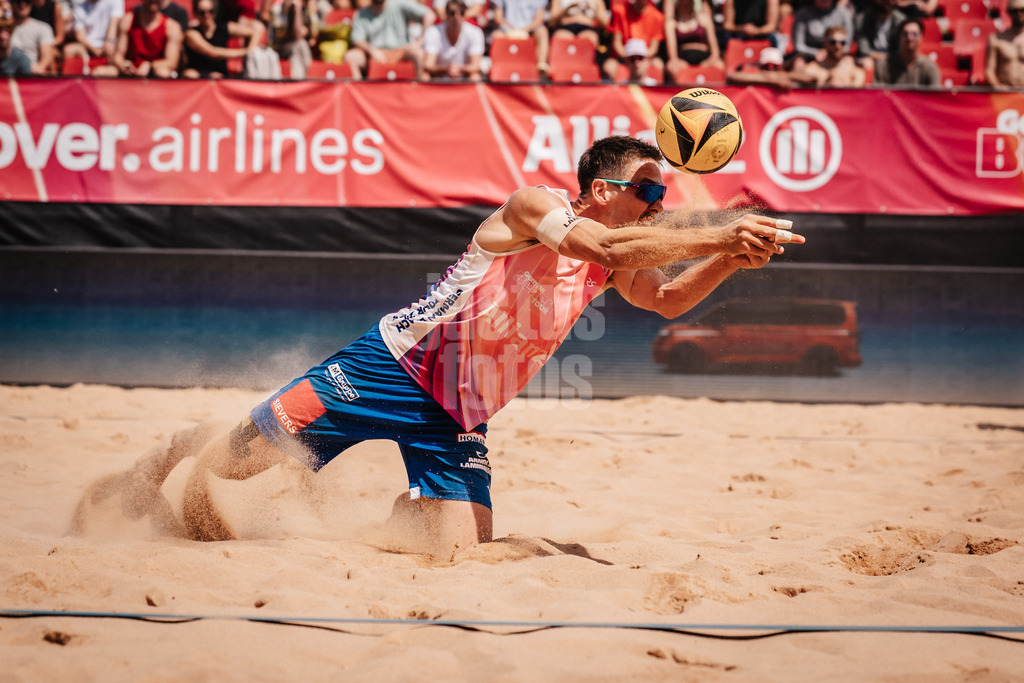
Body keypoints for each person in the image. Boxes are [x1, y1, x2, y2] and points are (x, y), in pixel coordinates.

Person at [87, 135, 804, 558]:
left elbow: (669, 298)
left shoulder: (611, 259)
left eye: (663, 193)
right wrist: (722, 227)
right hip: (385, 368)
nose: (658, 203)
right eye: (647, 189)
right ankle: (174, 449)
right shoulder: (535, 207)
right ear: (596, 188)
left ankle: (377, 512)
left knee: (460, 549)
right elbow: (612, 239)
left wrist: (727, 259)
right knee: (234, 465)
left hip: (458, 410)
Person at [344, 0, 435, 80]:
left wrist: (420, 41)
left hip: (401, 51)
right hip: (373, 53)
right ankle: (358, 93)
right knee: (351, 56)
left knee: (418, 53)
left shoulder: (399, 4)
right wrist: (372, 51)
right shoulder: (361, 14)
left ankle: (420, 90)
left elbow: (429, 15)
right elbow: (357, 39)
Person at [93, 0, 183, 77]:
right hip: (130, 70)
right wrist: (124, 65)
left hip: (154, 72)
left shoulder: (172, 27)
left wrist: (150, 65)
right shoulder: (128, 20)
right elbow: (118, 55)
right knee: (99, 72)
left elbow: (172, 62)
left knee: (162, 72)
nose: (153, 1)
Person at [182, 0, 257, 78]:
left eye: (210, 11)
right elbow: (212, 52)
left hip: (219, 74)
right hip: (198, 73)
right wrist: (245, 52)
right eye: (202, 12)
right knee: (190, 74)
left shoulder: (224, 27)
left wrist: (251, 48)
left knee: (215, 76)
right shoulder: (191, 33)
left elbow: (255, 32)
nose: (206, 15)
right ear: (196, 14)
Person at [421, 0, 485, 81]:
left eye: (461, 13)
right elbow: (428, 65)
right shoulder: (433, 32)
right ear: (446, 14)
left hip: (464, 79)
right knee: (425, 76)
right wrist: (446, 69)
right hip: (438, 79)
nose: (456, 17)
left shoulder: (476, 32)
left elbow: (476, 66)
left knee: (475, 77)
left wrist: (459, 69)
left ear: (465, 14)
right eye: (452, 13)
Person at [603, 0, 664, 81]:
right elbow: (617, 42)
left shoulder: (657, 16)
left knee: (658, 65)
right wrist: (628, 58)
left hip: (645, 56)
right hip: (624, 56)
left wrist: (641, 59)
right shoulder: (620, 12)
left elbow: (654, 47)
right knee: (609, 66)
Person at [664, 0, 724, 82]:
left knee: (719, 65)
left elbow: (715, 51)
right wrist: (681, 65)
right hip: (683, 59)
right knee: (672, 67)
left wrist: (707, 63)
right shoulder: (671, 23)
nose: (686, 3)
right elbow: (672, 57)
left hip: (704, 57)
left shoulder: (704, 19)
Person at [872, 17, 939, 86]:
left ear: (921, 37)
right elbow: (877, 94)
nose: (910, 38)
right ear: (899, 37)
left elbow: (935, 96)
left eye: (915, 34)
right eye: (905, 34)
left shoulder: (929, 68)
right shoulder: (884, 66)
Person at [491, 0, 550, 77]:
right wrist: (513, 31)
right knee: (497, 36)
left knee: (542, 31)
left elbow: (538, 19)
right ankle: (496, 68)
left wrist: (523, 31)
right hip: (507, 30)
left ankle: (541, 65)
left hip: (530, 30)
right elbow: (498, 18)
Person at [789, 0, 853, 66]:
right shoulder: (803, 14)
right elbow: (799, 45)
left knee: (848, 62)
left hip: (836, 54)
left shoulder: (844, 13)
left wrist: (831, 53)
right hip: (809, 56)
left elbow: (847, 45)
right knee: (798, 62)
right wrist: (815, 53)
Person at [63, 0, 124, 67]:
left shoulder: (115, 1)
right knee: (68, 50)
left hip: (110, 44)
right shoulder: (79, 7)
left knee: (112, 50)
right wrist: (93, 49)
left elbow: (114, 25)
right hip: (88, 47)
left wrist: (109, 42)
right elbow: (80, 36)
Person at [726, 43, 816, 88]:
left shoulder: (786, 74)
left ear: (781, 66)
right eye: (767, 66)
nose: (771, 69)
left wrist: (777, 77)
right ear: (761, 66)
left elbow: (811, 78)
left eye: (775, 66)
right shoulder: (755, 73)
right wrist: (770, 80)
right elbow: (733, 76)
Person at [854, 0, 906, 71]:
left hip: (892, 59)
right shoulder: (862, 19)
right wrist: (875, 56)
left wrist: (887, 58)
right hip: (869, 57)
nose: (885, 2)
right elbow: (863, 47)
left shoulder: (901, 21)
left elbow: (900, 49)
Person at [984, 0, 1024, 89]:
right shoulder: (996, 39)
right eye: (1015, 10)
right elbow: (989, 71)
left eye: (1022, 10)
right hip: (1005, 96)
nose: (1019, 13)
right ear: (1009, 12)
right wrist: (997, 86)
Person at [10, 0, 56, 73]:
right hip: (7, 75)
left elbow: (46, 58)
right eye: (18, 1)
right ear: (12, 3)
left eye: (27, 1)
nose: (23, 4)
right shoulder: (4, 29)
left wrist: (38, 68)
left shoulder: (43, 28)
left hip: (32, 76)